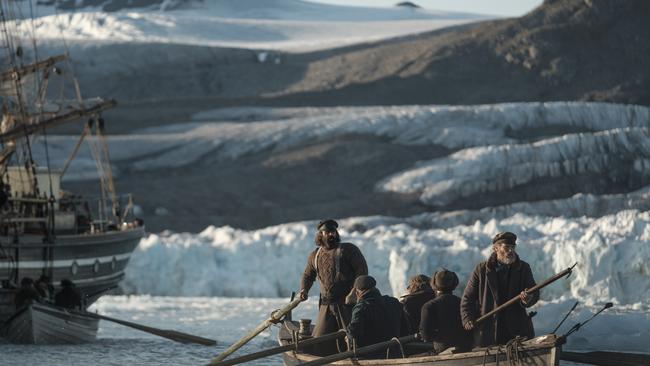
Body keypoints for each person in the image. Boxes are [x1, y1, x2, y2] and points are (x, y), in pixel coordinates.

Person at [299, 219, 368, 355]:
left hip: (347, 305)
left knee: (353, 341)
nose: (332, 235)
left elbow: (362, 271)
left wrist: (354, 291)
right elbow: (308, 275)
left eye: (333, 231)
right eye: (328, 232)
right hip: (326, 306)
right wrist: (304, 289)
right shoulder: (315, 255)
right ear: (321, 234)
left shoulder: (348, 250)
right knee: (319, 342)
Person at [460, 232, 539, 347]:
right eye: (507, 247)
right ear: (495, 248)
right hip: (489, 332)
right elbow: (468, 298)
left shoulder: (523, 268)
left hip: (517, 331)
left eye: (513, 247)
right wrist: (467, 318)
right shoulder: (481, 270)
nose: (511, 251)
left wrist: (527, 299)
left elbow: (534, 292)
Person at [346, 275, 405, 359]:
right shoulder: (394, 302)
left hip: (370, 357)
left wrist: (349, 306)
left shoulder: (361, 307)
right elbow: (406, 328)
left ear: (357, 292)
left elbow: (353, 334)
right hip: (395, 354)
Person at [419, 269, 472, 353]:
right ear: (454, 284)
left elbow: (425, 335)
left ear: (434, 284)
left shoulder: (429, 306)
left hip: (442, 351)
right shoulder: (463, 303)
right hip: (466, 348)